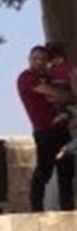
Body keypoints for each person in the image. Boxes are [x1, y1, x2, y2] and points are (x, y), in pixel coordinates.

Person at [17, 44, 74, 211]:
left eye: (42, 59)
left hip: (61, 128)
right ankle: (36, 207)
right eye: (35, 58)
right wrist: (68, 96)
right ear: (29, 59)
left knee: (67, 171)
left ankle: (67, 208)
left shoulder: (49, 76)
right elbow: (55, 93)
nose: (39, 62)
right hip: (44, 130)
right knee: (44, 170)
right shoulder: (27, 77)